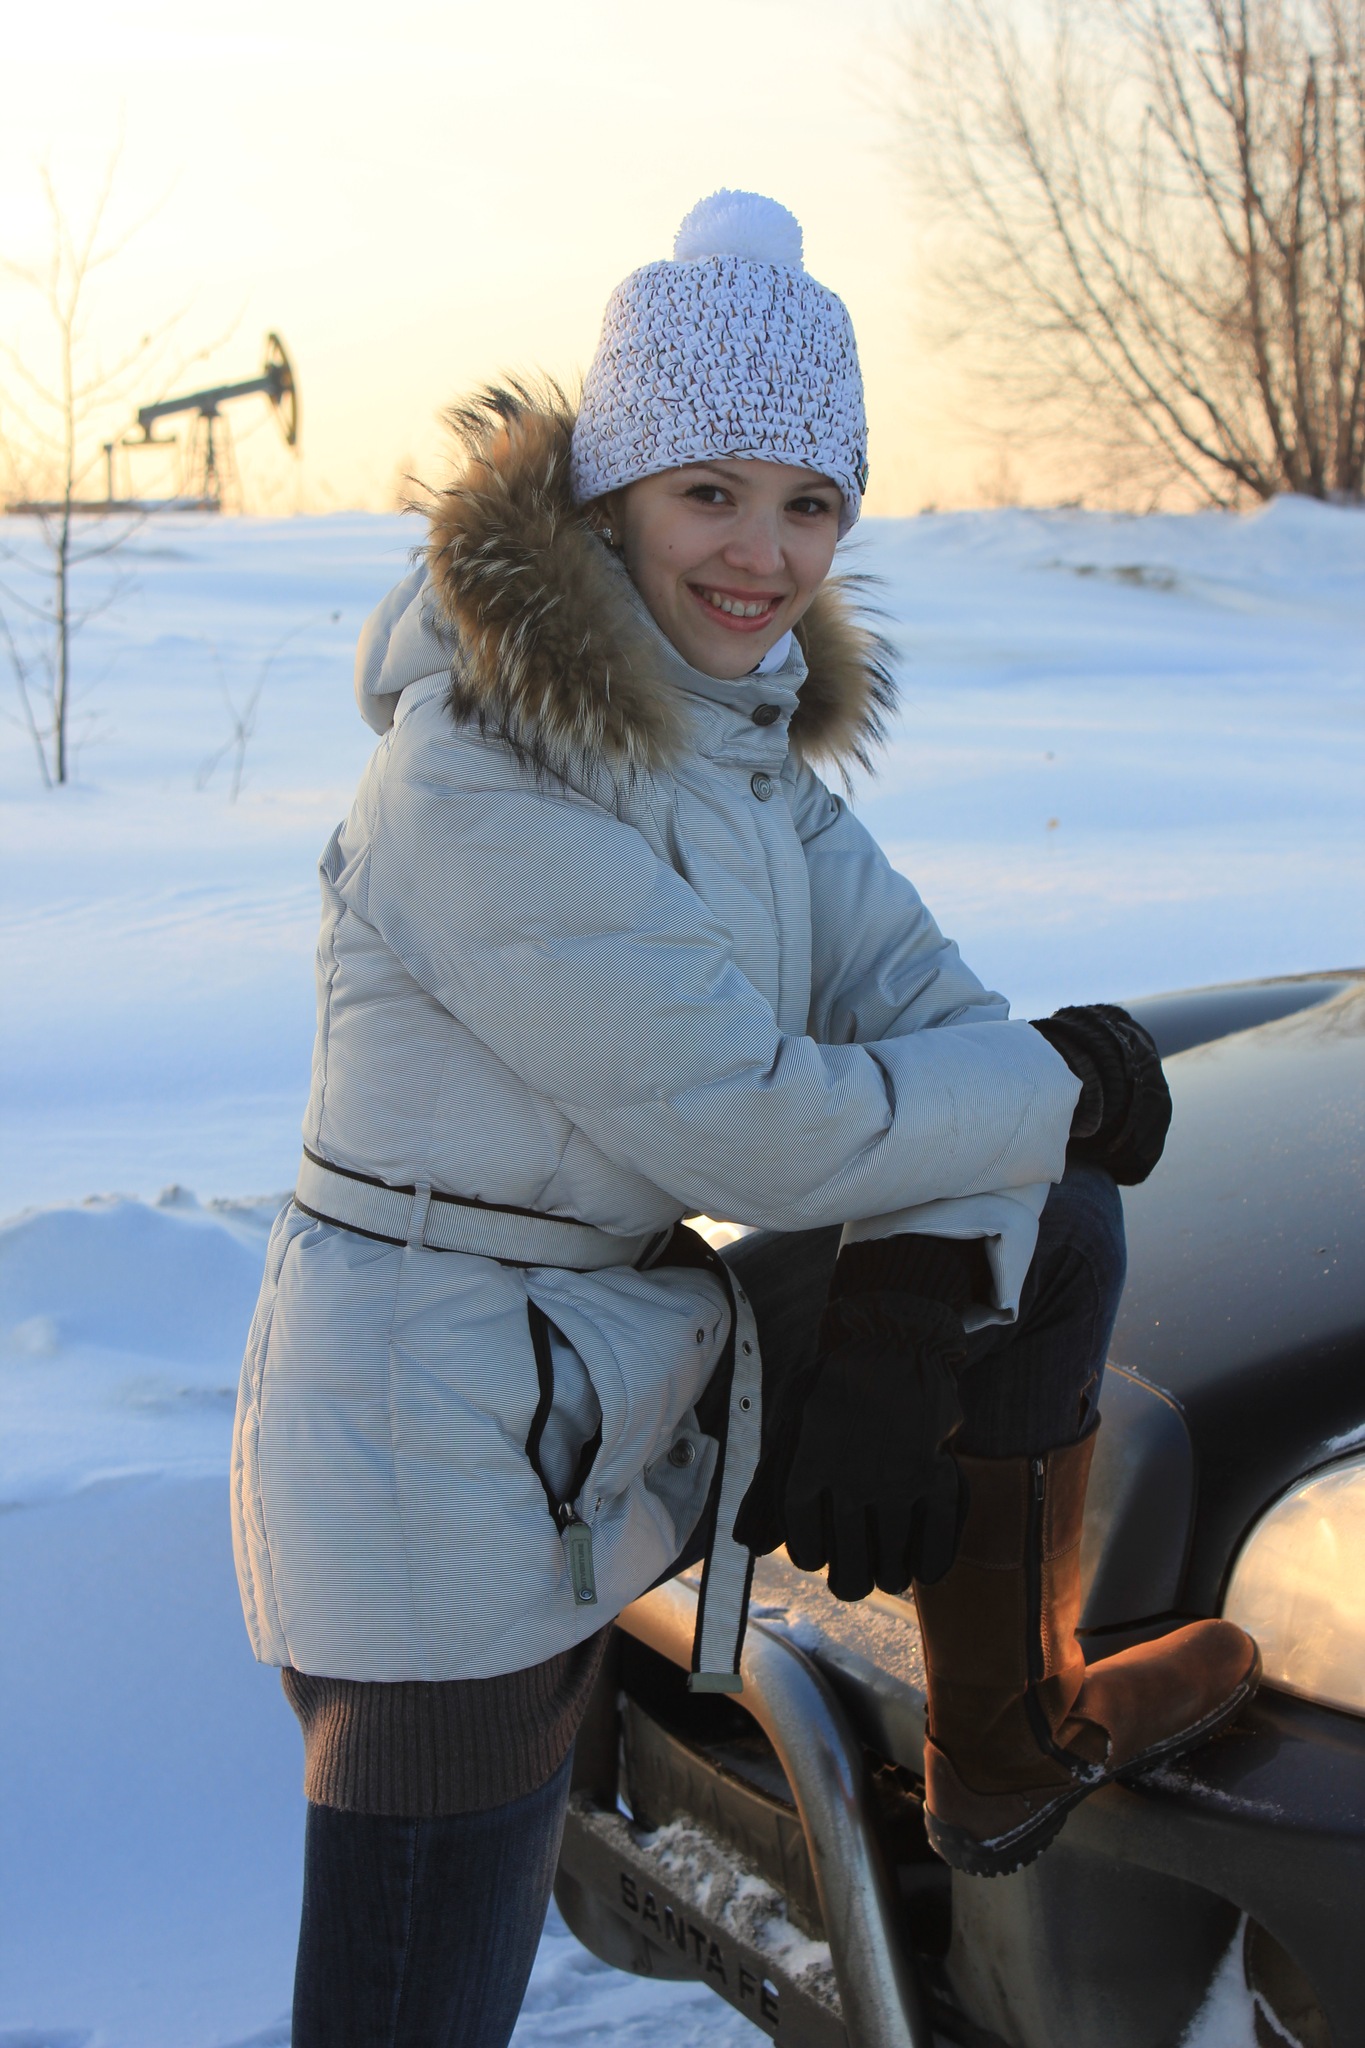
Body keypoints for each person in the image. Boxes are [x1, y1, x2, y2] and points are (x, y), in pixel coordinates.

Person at [230, 190, 1259, 2047]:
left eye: (808, 503)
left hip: (610, 1355)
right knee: (414, 1998)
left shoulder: (743, 756)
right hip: (427, 1434)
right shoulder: (480, 770)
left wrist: (911, 1295)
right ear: (612, 492)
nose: (761, 553)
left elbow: (932, 1023)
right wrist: (1068, 1086)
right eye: (710, 490)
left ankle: (1001, 1738)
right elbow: (749, 1128)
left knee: (1047, 1221)